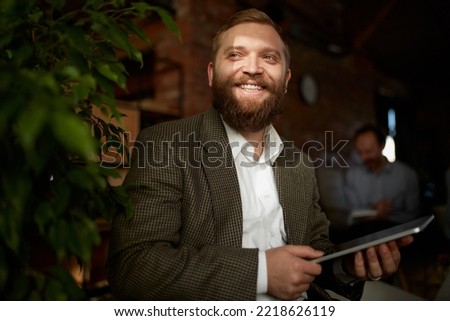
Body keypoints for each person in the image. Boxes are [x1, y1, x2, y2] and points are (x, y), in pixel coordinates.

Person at [106, 8, 412, 301]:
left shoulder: (300, 164)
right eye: (235, 54)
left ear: (286, 80)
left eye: (269, 57)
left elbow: (315, 253)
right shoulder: (163, 145)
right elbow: (133, 268)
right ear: (212, 74)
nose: (252, 68)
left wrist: (348, 268)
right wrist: (262, 272)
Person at [343, 124, 420, 238]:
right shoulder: (352, 175)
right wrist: (372, 211)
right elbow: (352, 212)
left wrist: (386, 217)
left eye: (368, 152)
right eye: (360, 153)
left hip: (398, 230)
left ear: (382, 145)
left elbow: (414, 214)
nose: (363, 157)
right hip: (364, 231)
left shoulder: (407, 174)